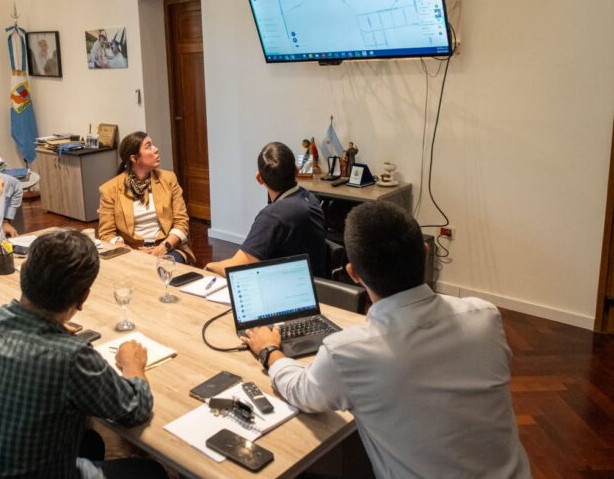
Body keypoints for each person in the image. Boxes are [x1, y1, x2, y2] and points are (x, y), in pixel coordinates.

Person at [240, 201, 531, 479]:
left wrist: (269, 350)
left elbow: (300, 391)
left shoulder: (349, 352)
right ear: (426, 251)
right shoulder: (485, 317)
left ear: (353, 273)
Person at [0, 230, 165, 479]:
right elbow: (136, 408)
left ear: (23, 272)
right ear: (83, 298)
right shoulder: (71, 358)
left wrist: (53, 330)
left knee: (89, 441)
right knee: (150, 471)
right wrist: (133, 365)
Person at [205, 142, 326, 276]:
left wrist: (210, 265)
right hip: (315, 282)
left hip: (286, 286)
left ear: (259, 178)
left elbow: (236, 267)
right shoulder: (311, 198)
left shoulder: (273, 216)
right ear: (297, 171)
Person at [98, 131, 194, 264]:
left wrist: (161, 249)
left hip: (168, 247)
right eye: (148, 146)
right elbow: (107, 233)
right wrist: (130, 252)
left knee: (166, 267)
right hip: (131, 250)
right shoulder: (110, 189)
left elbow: (181, 222)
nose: (156, 149)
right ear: (134, 158)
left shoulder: (168, 179)